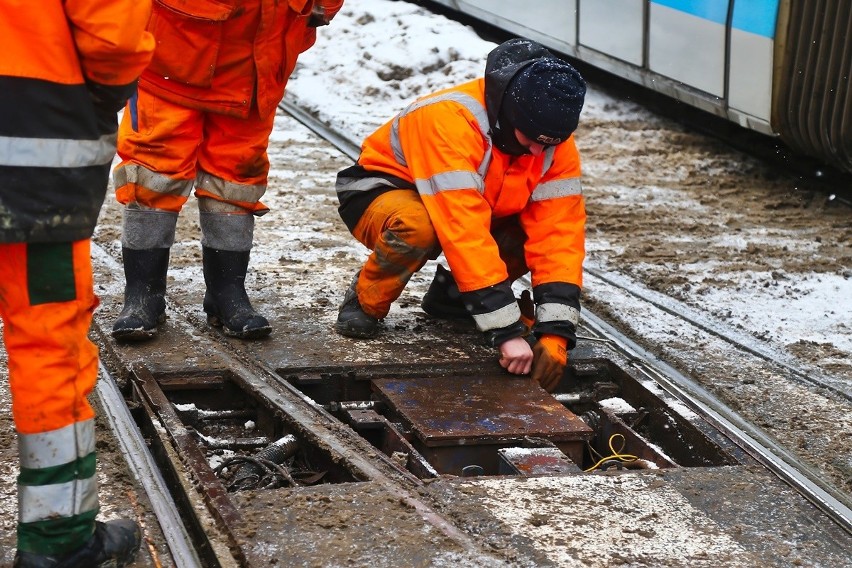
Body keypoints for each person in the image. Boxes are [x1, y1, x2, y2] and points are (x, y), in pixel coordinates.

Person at [334, 38, 587, 392]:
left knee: (527, 234)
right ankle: (366, 299)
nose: (538, 151)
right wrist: (507, 333)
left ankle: (452, 298)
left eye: (549, 144)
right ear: (510, 113)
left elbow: (558, 234)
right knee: (419, 228)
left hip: (480, 204)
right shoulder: (449, 120)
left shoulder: (549, 138)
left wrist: (556, 335)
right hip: (382, 191)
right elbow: (463, 233)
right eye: (531, 139)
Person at [0, 1, 155, 566]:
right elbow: (114, 39)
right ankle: (57, 542)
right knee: (46, 343)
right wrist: (91, 100)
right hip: (30, 166)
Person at [111, 0, 344, 341]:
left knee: (236, 180)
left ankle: (227, 295)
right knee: (153, 172)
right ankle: (142, 296)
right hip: (173, 55)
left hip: (256, 64)